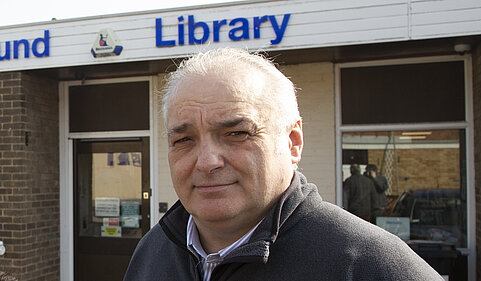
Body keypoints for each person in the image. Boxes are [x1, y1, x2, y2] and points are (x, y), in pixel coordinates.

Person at [124, 48, 443, 281]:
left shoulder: (369, 265)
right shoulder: (153, 251)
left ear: (293, 142)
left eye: (237, 133)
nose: (207, 162)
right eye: (184, 140)